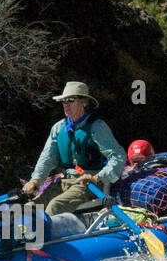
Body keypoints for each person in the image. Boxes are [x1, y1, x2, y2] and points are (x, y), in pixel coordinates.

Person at [21, 81, 125, 216]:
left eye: (71, 100)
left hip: (88, 184)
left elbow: (118, 156)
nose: (65, 104)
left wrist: (97, 178)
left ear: (84, 102)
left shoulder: (97, 127)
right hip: (65, 180)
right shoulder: (58, 128)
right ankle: (26, 236)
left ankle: (43, 236)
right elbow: (47, 158)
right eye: (64, 100)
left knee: (55, 207)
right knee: (30, 207)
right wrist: (36, 180)